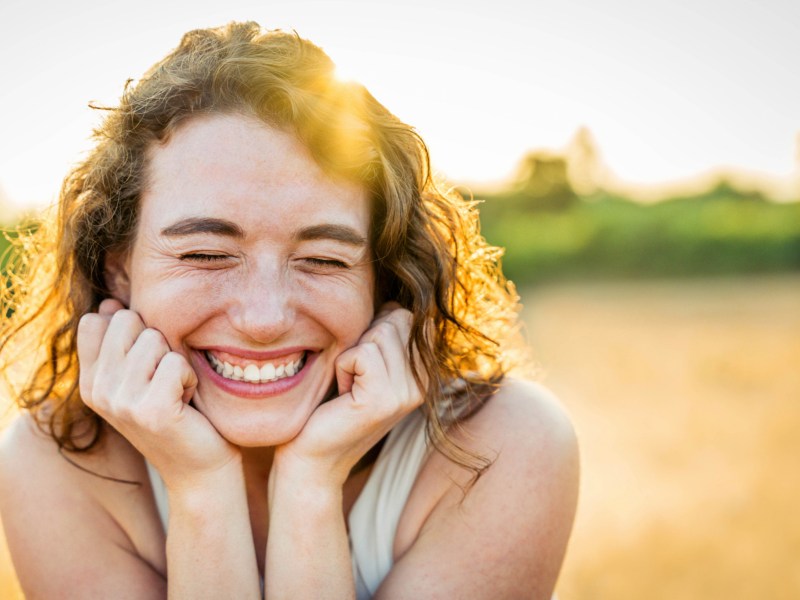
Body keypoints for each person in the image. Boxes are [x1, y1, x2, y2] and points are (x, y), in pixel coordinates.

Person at [0, 21, 578, 599]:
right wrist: (201, 487)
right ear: (117, 267)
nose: (265, 318)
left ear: (383, 276)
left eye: (323, 260)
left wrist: (310, 484)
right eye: (206, 253)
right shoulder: (53, 463)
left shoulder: (502, 448)